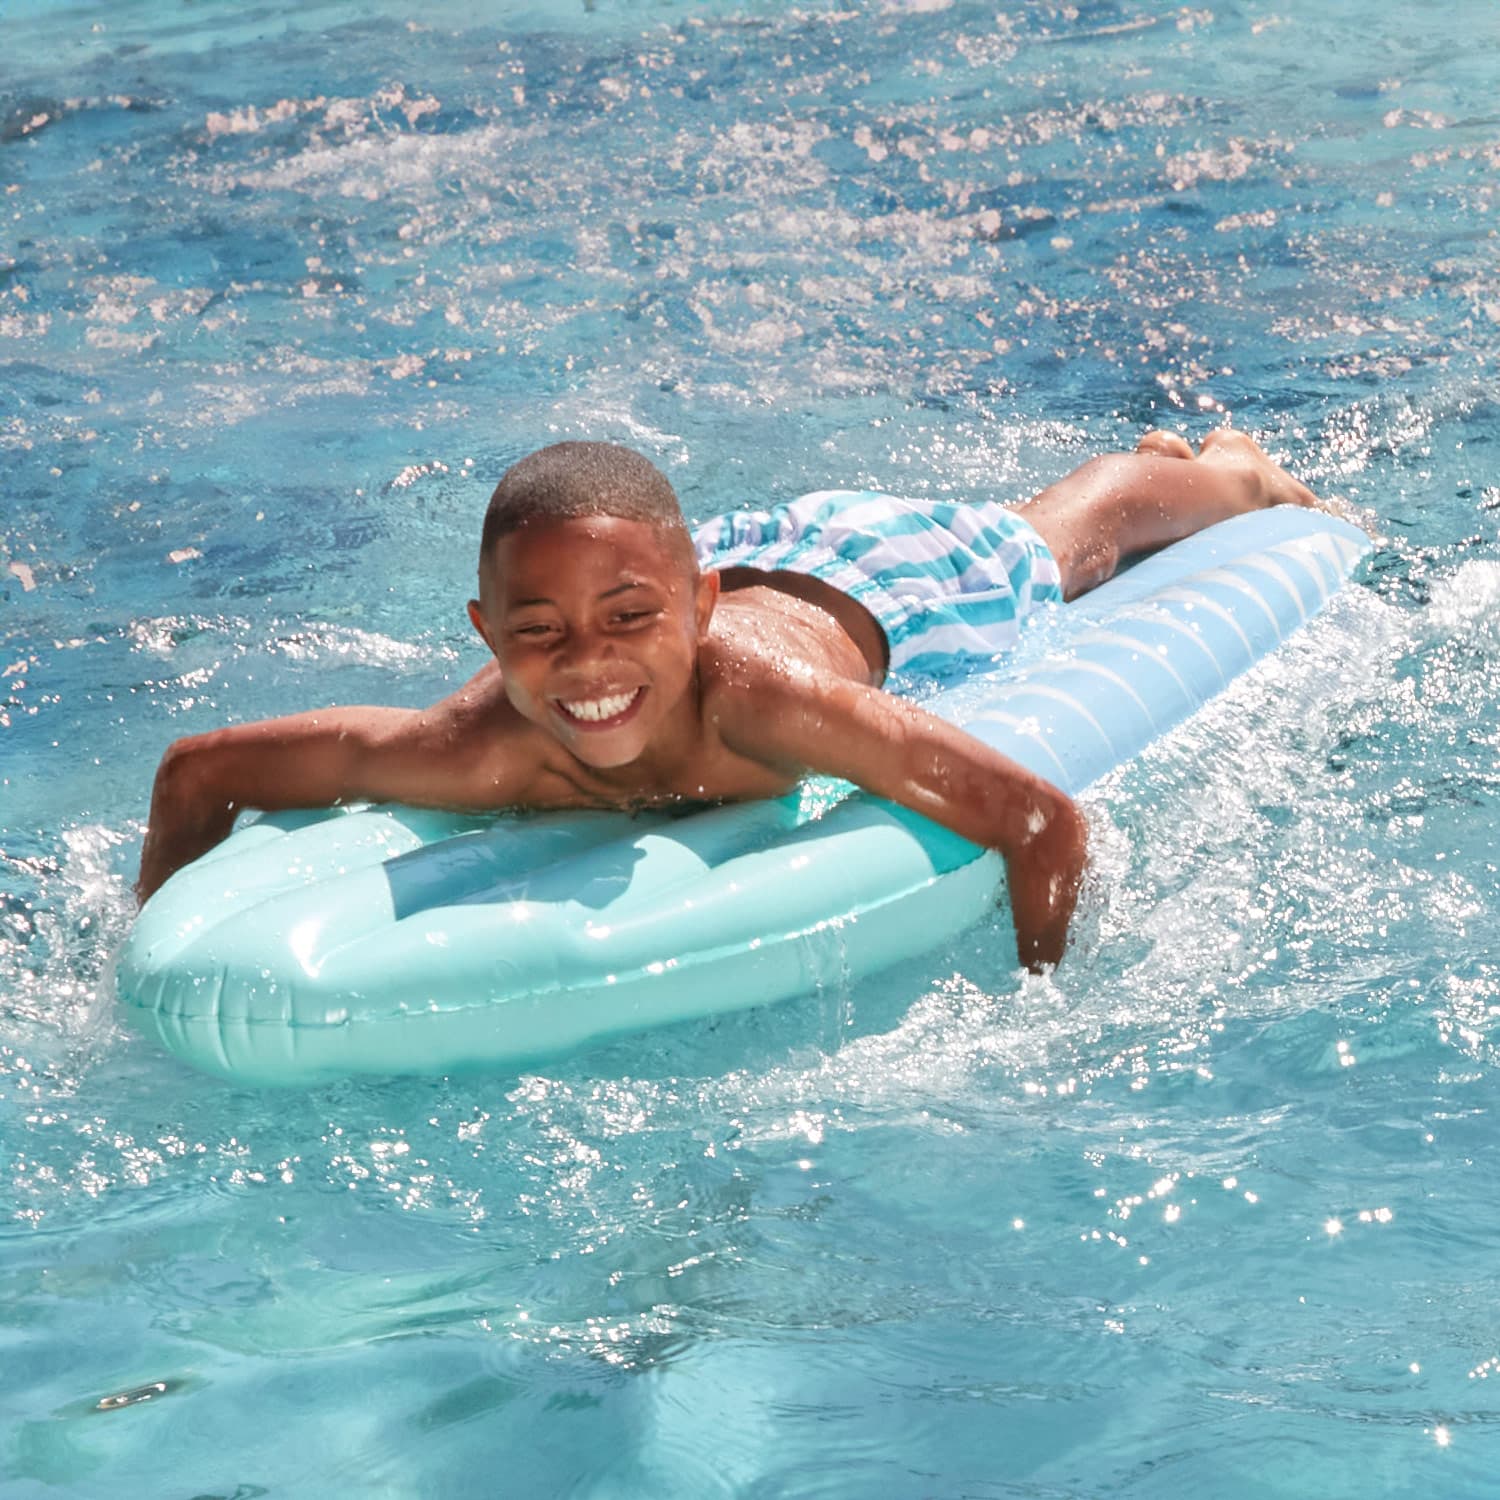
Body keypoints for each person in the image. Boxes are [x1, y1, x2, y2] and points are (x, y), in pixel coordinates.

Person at [135, 427, 1323, 969]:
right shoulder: (471, 745)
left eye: (622, 629)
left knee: (1060, 546)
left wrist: (1036, 1000)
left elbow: (1041, 820)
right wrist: (141, 945)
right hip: (675, 558)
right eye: (538, 636)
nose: (587, 668)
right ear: (487, 636)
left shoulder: (766, 707)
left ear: (693, 608)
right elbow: (197, 774)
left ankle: (1216, 468)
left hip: (865, 587)